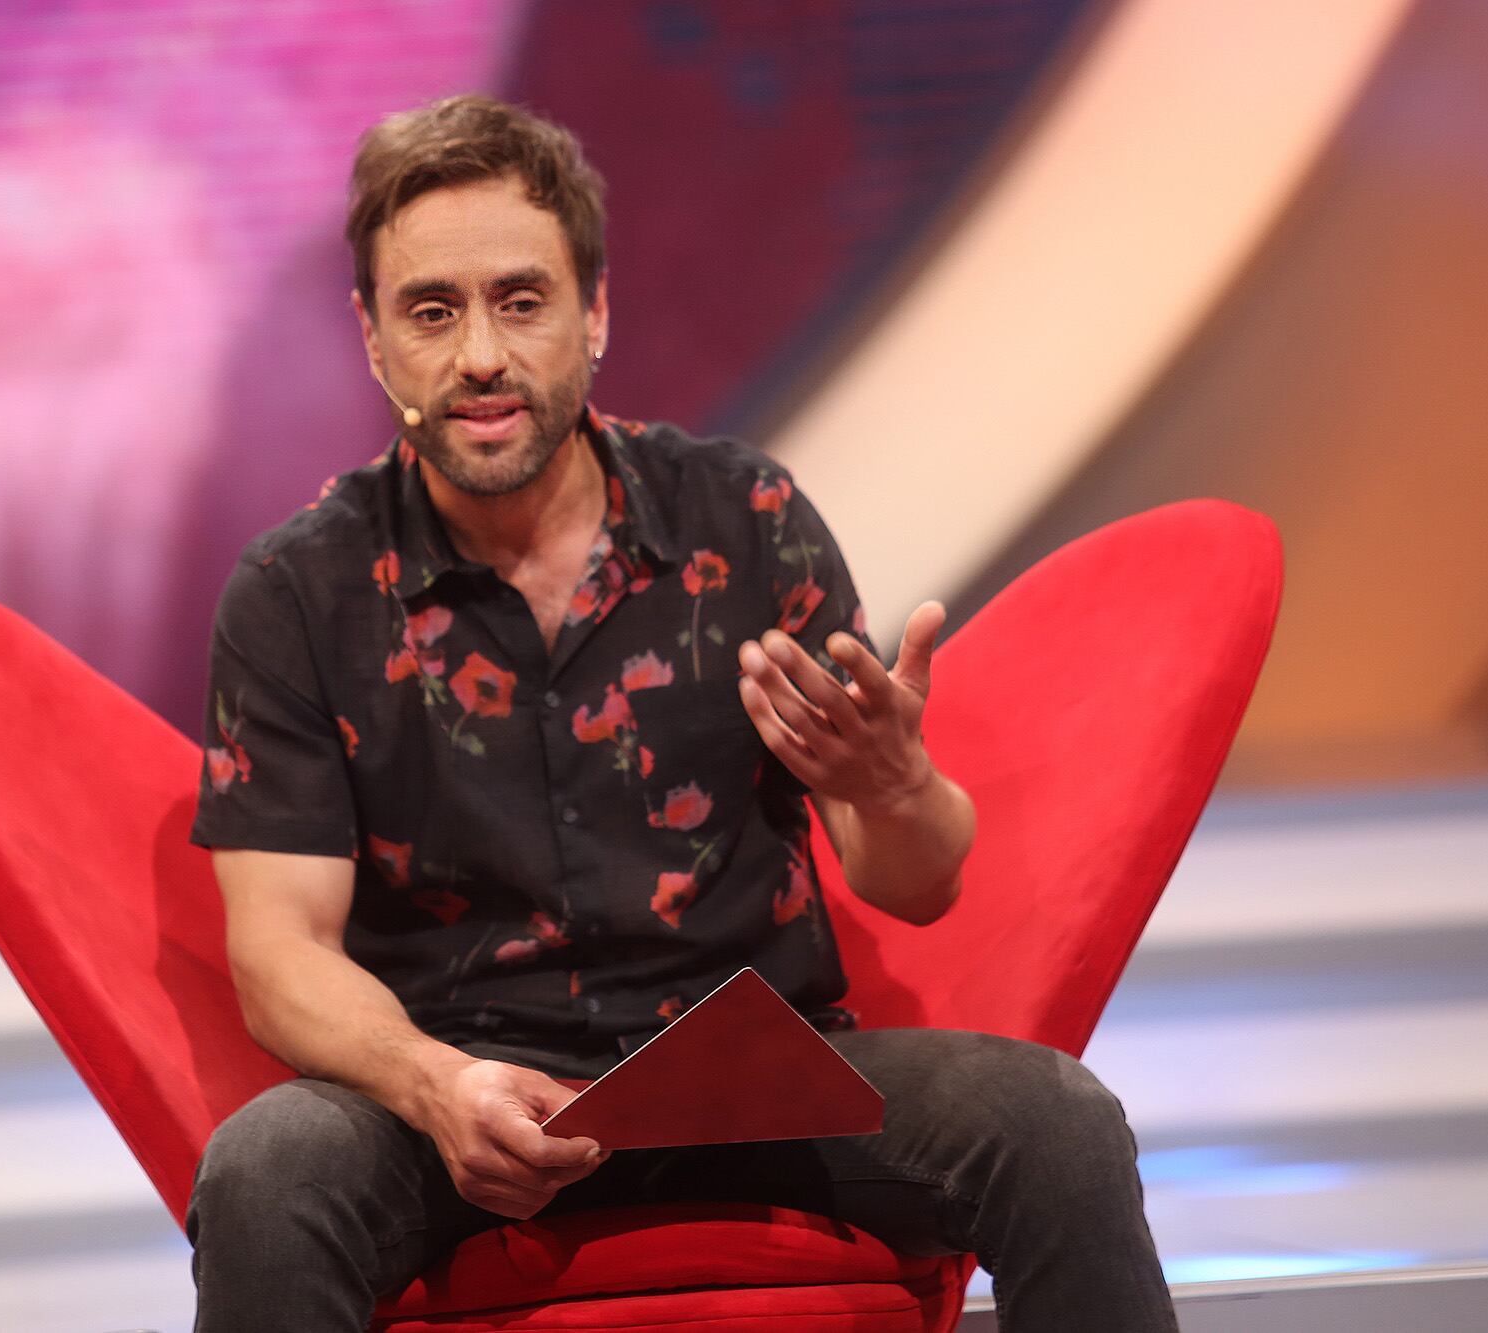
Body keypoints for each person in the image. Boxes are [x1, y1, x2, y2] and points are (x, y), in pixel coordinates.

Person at [186, 94, 1177, 1332]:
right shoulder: (298, 590)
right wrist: (435, 1085)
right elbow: (278, 952)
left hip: (760, 1085)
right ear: (373, 339)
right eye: (431, 311)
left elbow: (916, 883)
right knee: (265, 1172)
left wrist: (892, 785)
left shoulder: (744, 519)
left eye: (521, 300)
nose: (480, 354)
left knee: (1055, 1124)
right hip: (465, 1105)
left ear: (594, 313)